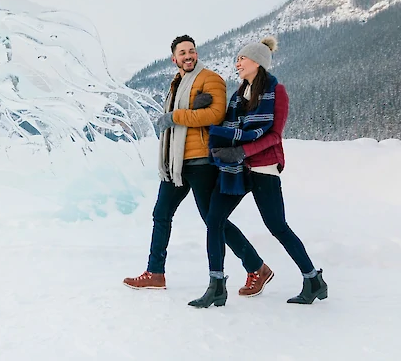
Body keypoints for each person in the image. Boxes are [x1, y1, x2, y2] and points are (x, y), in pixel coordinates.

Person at [189, 37, 327, 308]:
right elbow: (227, 126)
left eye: (242, 58)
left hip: (263, 168)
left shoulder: (277, 92)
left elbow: (274, 135)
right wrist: (203, 110)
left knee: (277, 226)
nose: (237, 62)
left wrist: (243, 152)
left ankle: (313, 280)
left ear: (257, 62)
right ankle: (216, 285)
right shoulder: (239, 95)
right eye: (237, 58)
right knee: (214, 219)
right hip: (236, 169)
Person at [123, 35, 267, 290]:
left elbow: (215, 114)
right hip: (175, 164)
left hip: (201, 161)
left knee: (213, 219)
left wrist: (175, 116)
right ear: (174, 59)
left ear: (196, 54)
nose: (188, 55)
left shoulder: (210, 79)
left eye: (191, 51)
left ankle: (256, 267)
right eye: (182, 52)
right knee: (161, 214)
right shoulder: (177, 83)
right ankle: (155, 273)